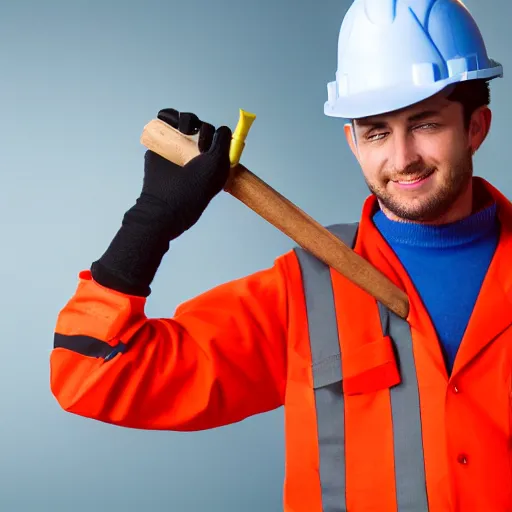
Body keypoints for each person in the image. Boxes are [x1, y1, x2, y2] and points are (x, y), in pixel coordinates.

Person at [50, 0, 511, 510]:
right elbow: (93, 375)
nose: (401, 158)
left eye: (425, 124)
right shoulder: (304, 294)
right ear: (352, 142)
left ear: (475, 127)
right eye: (377, 131)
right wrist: (149, 222)